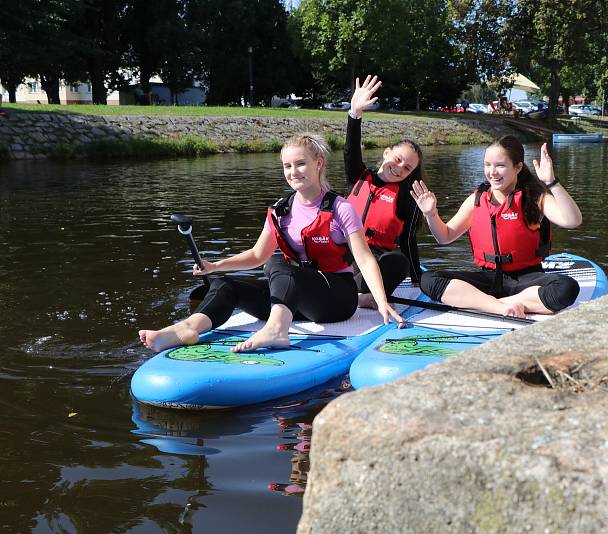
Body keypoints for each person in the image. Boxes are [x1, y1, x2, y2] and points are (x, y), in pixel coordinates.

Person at [139, 133, 403, 353]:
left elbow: (365, 259)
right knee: (226, 283)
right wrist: (215, 265)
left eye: (300, 164)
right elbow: (256, 255)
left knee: (279, 262)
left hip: (336, 299)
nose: (293, 172)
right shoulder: (280, 210)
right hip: (296, 299)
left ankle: (277, 330)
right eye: (287, 166)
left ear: (318, 163)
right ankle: (189, 328)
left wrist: (381, 301)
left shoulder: (340, 208)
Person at [411, 135, 582, 318]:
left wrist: (551, 183)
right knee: (429, 279)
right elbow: (444, 236)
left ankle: (484, 303)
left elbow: (572, 220)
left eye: (500, 165)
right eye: (487, 165)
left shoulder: (533, 197)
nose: (492, 172)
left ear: (518, 167)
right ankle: (499, 307)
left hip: (527, 280)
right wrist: (430, 214)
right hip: (489, 279)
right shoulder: (477, 199)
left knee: (566, 288)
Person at [344, 75, 424, 308]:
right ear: (386, 153)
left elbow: (408, 240)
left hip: (374, 261)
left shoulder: (408, 197)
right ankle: (352, 294)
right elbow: (350, 150)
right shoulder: (359, 176)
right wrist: (355, 114)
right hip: (344, 254)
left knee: (399, 262)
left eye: (407, 167)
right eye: (397, 159)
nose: (399, 168)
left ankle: (360, 295)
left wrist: (417, 280)